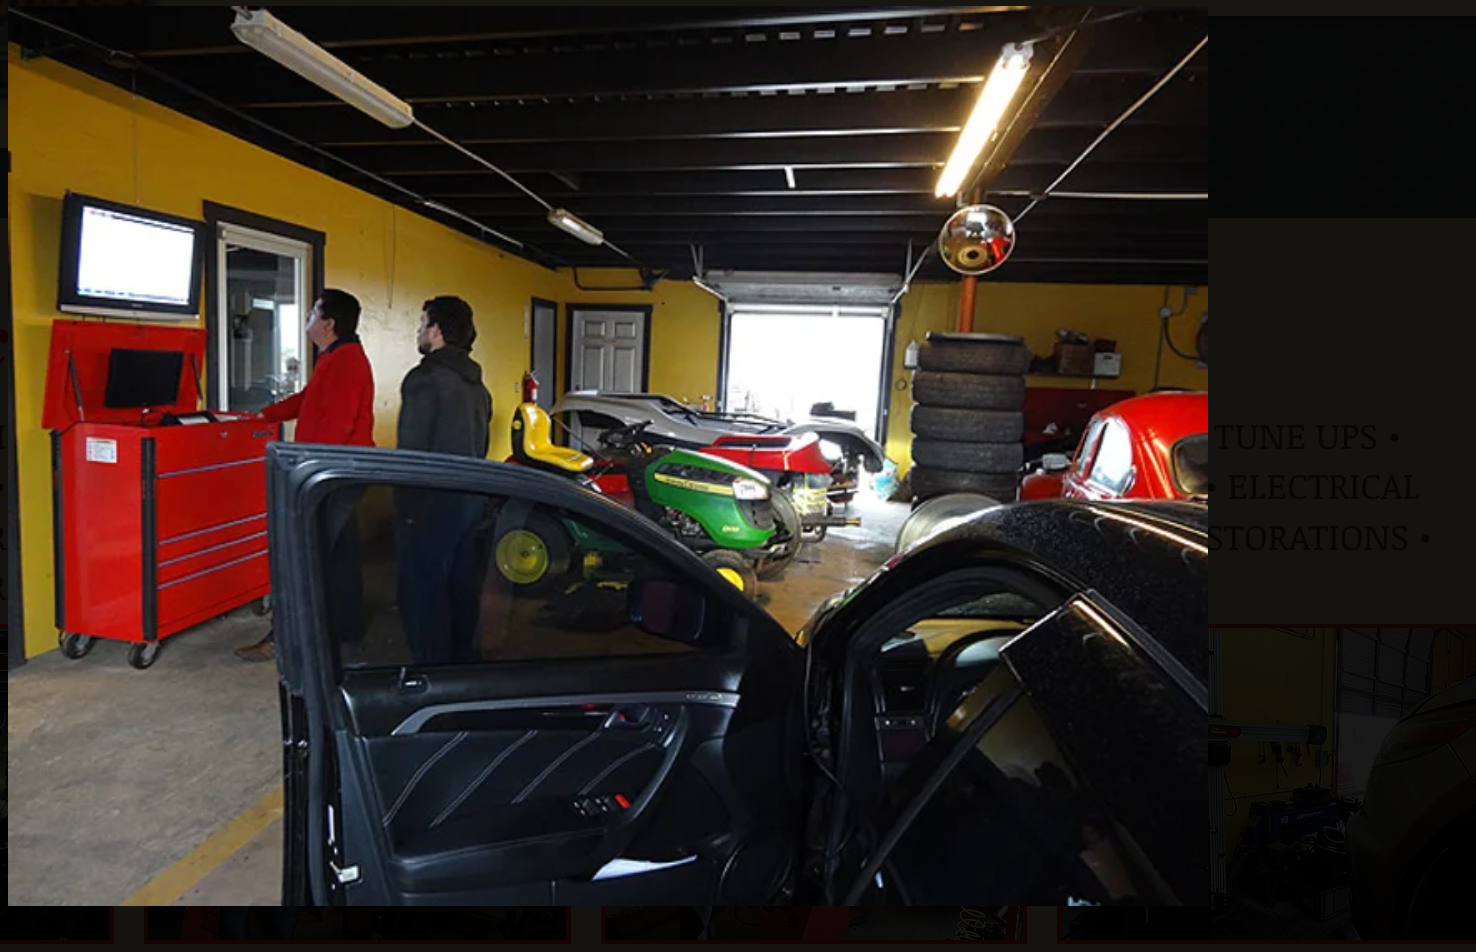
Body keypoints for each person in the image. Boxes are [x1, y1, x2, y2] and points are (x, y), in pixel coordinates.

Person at [235, 289, 376, 662]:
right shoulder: (335, 357)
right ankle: (346, 639)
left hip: (332, 476)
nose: (307, 318)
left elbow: (340, 423)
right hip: (338, 473)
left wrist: (309, 471)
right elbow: (308, 400)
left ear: (329, 324)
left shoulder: (346, 361)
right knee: (339, 559)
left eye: (313, 312)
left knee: (303, 558)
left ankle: (287, 639)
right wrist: (262, 416)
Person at [394, 296, 492, 666]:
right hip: (469, 501)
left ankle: (432, 675)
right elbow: (481, 446)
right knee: (461, 586)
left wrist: (404, 508)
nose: (419, 330)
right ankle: (464, 668)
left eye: (422, 324)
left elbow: (411, 453)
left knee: (423, 592)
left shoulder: (424, 379)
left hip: (428, 503)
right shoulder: (477, 387)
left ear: (436, 331)